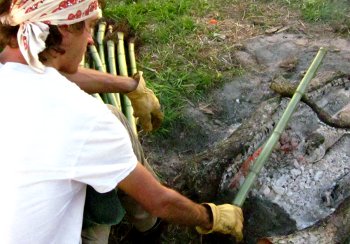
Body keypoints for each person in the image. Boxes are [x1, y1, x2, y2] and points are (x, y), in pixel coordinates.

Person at [0, 0, 244, 243]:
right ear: (63, 29)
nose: (90, 39)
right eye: (87, 26)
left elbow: (51, 74)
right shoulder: (85, 117)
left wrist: (130, 86)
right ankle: (148, 229)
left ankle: (146, 226)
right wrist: (211, 217)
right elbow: (159, 201)